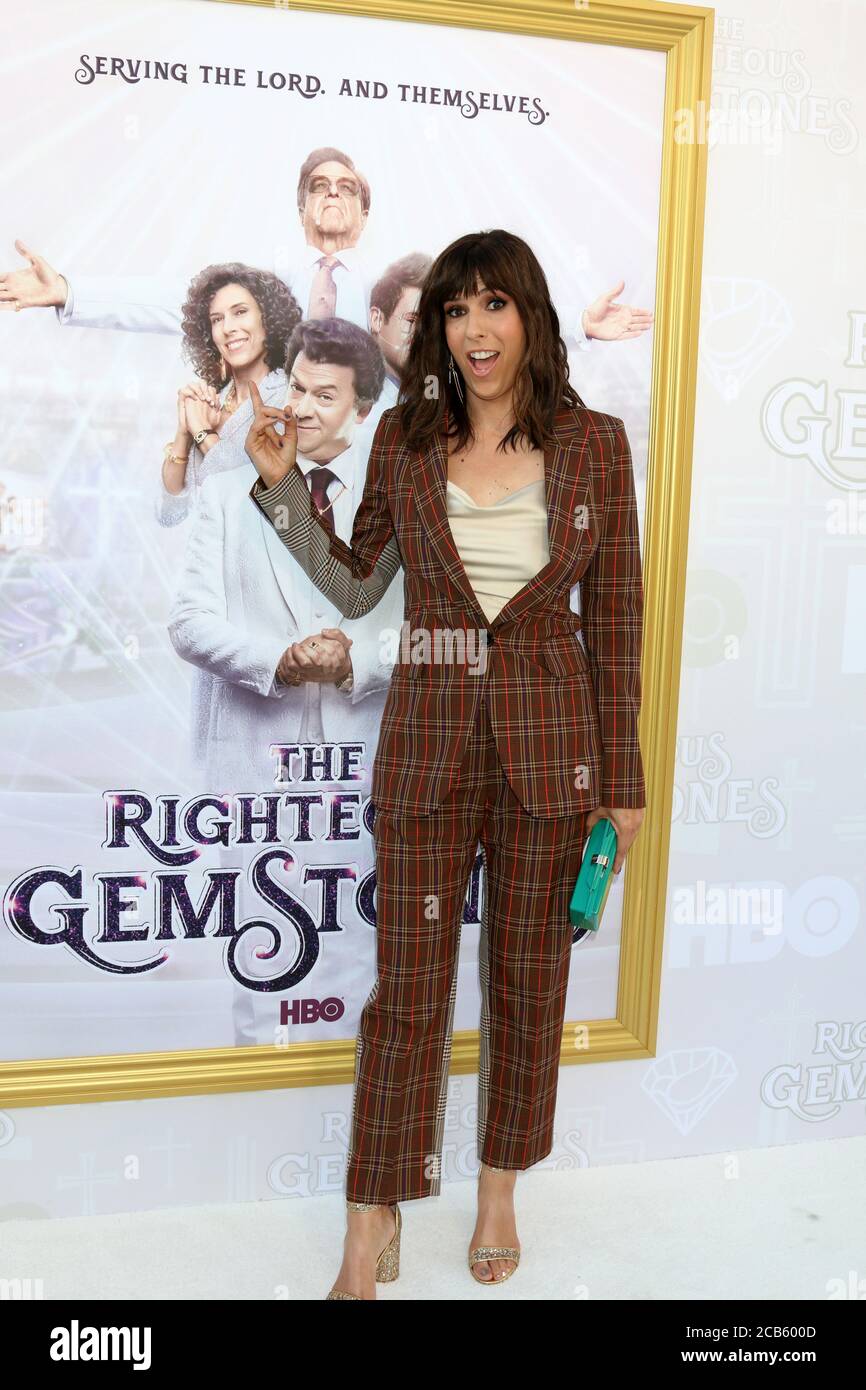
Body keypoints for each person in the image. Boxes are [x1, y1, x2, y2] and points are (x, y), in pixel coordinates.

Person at [244, 228, 647, 1300]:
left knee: (527, 981)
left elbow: (614, 621)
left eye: (494, 306)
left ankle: (500, 1186)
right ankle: (369, 1221)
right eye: (455, 310)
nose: (473, 329)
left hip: (552, 752)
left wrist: (626, 785)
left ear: (530, 318)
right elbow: (354, 582)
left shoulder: (595, 445)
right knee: (406, 998)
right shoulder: (406, 441)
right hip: (425, 747)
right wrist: (286, 489)